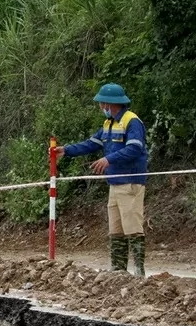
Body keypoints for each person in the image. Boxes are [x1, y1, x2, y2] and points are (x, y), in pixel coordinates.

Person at [55, 83, 148, 276]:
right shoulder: (109, 124)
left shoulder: (131, 121)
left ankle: (139, 272)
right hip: (115, 182)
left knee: (132, 226)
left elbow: (134, 148)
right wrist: (68, 150)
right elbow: (92, 143)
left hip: (130, 181)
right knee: (116, 229)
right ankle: (118, 270)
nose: (100, 108)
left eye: (101, 104)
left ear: (109, 104)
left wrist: (108, 159)